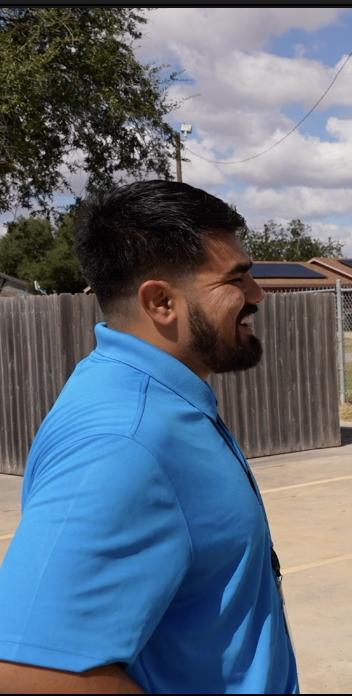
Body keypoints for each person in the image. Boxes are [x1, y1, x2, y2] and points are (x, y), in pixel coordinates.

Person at [0, 181, 299, 693]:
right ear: (161, 302)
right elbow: (31, 670)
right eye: (237, 279)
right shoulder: (124, 440)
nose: (258, 294)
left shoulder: (153, 399)